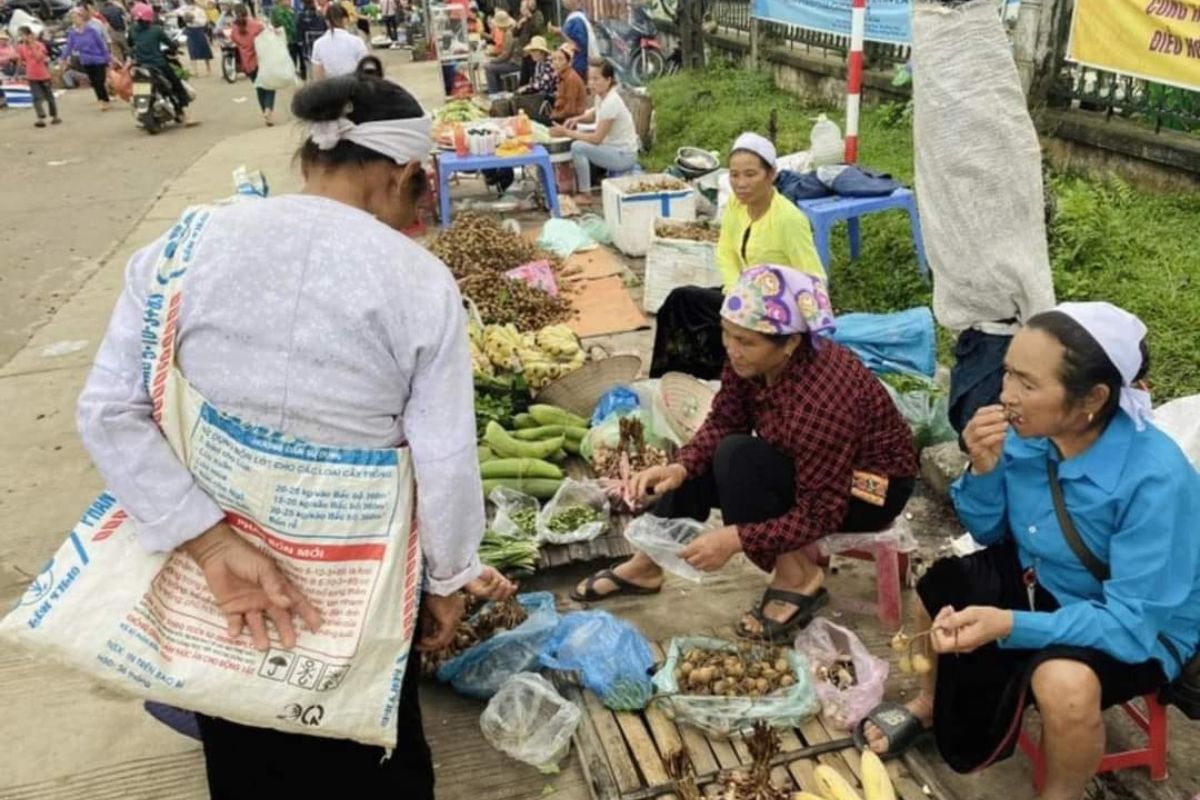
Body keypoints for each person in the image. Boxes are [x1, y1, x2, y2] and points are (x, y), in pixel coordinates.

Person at [77, 61, 514, 800]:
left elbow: (108, 410)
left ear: (309, 157)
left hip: (227, 585)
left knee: (246, 753)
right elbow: (444, 456)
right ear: (401, 172)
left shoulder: (183, 247)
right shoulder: (415, 280)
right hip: (361, 582)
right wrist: (448, 579)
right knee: (374, 755)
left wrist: (213, 543)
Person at [859, 304, 1200, 800]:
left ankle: (1058, 795)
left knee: (1064, 684)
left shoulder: (1154, 479)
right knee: (939, 587)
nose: (1005, 396)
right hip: (1044, 579)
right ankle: (931, 702)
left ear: (1093, 398)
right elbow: (989, 529)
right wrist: (982, 468)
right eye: (1008, 374)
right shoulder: (1026, 438)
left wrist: (1011, 625)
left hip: (1138, 624)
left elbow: (1128, 624)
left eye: (1028, 384)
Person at [574, 267, 917, 639]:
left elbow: (821, 512)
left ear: (790, 343)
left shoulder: (822, 402)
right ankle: (648, 564)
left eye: (746, 342)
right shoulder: (750, 358)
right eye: (728, 334)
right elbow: (725, 420)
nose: (732, 350)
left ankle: (799, 577)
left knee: (738, 458)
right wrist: (680, 468)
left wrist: (736, 539)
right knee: (713, 453)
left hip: (866, 491)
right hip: (808, 464)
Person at [650, 133, 824, 380]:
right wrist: (735, 295)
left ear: (771, 174)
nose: (741, 183)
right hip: (741, 297)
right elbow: (726, 252)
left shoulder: (789, 219)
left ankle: (725, 380)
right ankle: (672, 381)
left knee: (705, 315)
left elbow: (814, 278)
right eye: (734, 174)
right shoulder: (736, 205)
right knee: (679, 302)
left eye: (750, 174)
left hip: (774, 312)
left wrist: (790, 320)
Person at [551, 60, 638, 206]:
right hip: (613, 149)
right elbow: (593, 114)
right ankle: (587, 184)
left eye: (596, 79)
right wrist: (576, 119)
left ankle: (586, 195)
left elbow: (596, 139)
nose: (591, 83)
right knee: (579, 139)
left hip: (623, 155)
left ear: (608, 80)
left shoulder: (611, 102)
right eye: (589, 79)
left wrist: (565, 132)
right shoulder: (601, 96)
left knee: (578, 147)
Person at [128, 2, 196, 124]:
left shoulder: (132, 29)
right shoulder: (156, 30)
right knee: (176, 84)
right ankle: (183, 113)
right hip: (158, 64)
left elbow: (130, 44)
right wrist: (175, 47)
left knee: (137, 87)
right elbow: (169, 43)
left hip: (140, 65)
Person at [228, 4, 276, 125]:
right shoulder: (256, 25)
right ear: (247, 11)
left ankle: (265, 113)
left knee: (259, 88)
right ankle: (268, 110)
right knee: (270, 86)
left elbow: (233, 40)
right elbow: (267, 36)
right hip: (262, 60)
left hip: (248, 63)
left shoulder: (234, 28)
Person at [60, 8, 112, 108]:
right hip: (86, 60)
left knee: (99, 81)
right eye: (72, 18)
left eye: (76, 17)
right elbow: (69, 46)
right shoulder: (73, 33)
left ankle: (105, 100)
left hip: (98, 59)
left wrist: (107, 58)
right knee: (94, 82)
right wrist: (63, 58)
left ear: (82, 18)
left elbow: (101, 45)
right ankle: (101, 100)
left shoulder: (91, 31)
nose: (74, 20)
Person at [15, 26, 60, 127]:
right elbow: (20, 60)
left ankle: (54, 116)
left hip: (43, 74)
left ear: (29, 35)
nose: (22, 38)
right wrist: (17, 72)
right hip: (31, 75)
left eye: (23, 35)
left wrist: (32, 45)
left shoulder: (40, 45)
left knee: (49, 97)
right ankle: (40, 118)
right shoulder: (21, 47)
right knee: (36, 97)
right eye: (21, 36)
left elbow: (39, 58)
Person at [309, 2, 365, 79]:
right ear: (345, 20)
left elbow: (318, 76)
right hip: (353, 86)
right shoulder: (357, 41)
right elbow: (365, 68)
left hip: (331, 87)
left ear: (327, 22)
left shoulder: (318, 44)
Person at [553, 0, 593, 80]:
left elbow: (579, 45)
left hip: (577, 64)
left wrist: (561, 33)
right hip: (573, 63)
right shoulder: (574, 17)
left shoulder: (577, 19)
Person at [482, 8, 518, 94]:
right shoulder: (508, 31)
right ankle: (499, 90)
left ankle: (494, 94)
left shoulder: (509, 33)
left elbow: (506, 55)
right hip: (511, 60)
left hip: (514, 63)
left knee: (489, 68)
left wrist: (493, 60)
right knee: (491, 66)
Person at [546, 44, 584, 124]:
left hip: (570, 121)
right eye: (554, 59)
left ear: (569, 62)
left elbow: (570, 110)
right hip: (562, 116)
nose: (556, 63)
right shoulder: (561, 76)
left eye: (560, 59)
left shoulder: (571, 78)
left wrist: (552, 116)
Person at [511, 0, 542, 84]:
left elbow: (536, 30)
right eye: (521, 7)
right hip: (524, 51)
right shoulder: (521, 17)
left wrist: (529, 17)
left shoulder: (537, 15)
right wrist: (518, 24)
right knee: (523, 79)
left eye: (524, 7)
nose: (522, 9)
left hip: (533, 50)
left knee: (534, 76)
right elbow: (514, 33)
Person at [293, 0, 325, 79]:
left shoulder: (301, 16)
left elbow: (299, 31)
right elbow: (324, 28)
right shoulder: (320, 14)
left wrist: (299, 41)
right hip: (321, 46)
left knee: (310, 70)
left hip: (307, 48)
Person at [182, 0, 213, 76]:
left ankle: (208, 68)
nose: (188, 4)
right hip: (190, 30)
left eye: (189, 2)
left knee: (204, 49)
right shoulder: (185, 9)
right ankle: (195, 70)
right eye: (187, 2)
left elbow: (204, 22)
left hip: (199, 30)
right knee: (191, 50)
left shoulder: (200, 10)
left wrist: (193, 19)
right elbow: (177, 12)